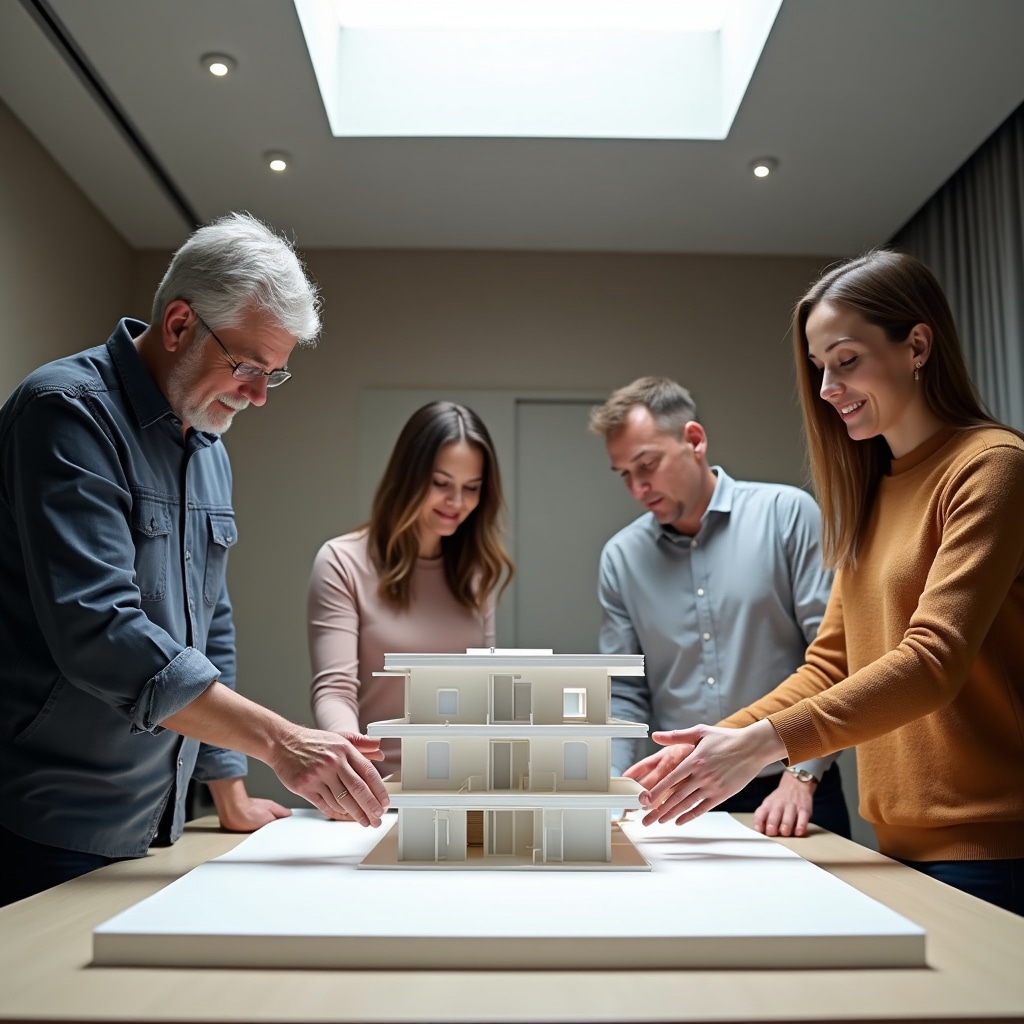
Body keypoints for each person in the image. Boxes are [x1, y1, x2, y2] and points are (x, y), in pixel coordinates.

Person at [0, 212, 389, 907]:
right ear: (179, 324)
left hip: (160, 815)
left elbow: (208, 628)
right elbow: (100, 630)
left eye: (274, 375)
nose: (259, 395)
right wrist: (282, 743)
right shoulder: (67, 412)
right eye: (248, 366)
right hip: (47, 816)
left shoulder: (207, 446)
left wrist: (227, 787)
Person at [634, 251, 1024, 916]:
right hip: (891, 845)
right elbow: (832, 665)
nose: (826, 388)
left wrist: (760, 745)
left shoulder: (991, 469)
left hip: (991, 852)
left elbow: (933, 661)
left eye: (846, 360)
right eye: (819, 367)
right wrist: (714, 743)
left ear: (917, 346)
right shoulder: (873, 493)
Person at [590, 377, 851, 839]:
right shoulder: (621, 558)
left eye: (646, 464)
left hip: (790, 785)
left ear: (694, 440)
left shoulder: (787, 515)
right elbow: (626, 691)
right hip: (682, 793)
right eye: (624, 474)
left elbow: (835, 658)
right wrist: (613, 785)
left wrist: (803, 775)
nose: (638, 487)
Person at [308, 401, 514, 783]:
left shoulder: (474, 573)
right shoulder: (342, 561)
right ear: (409, 477)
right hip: (375, 790)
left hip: (465, 791)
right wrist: (349, 760)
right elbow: (335, 691)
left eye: (471, 488)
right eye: (441, 483)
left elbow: (485, 697)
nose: (457, 502)